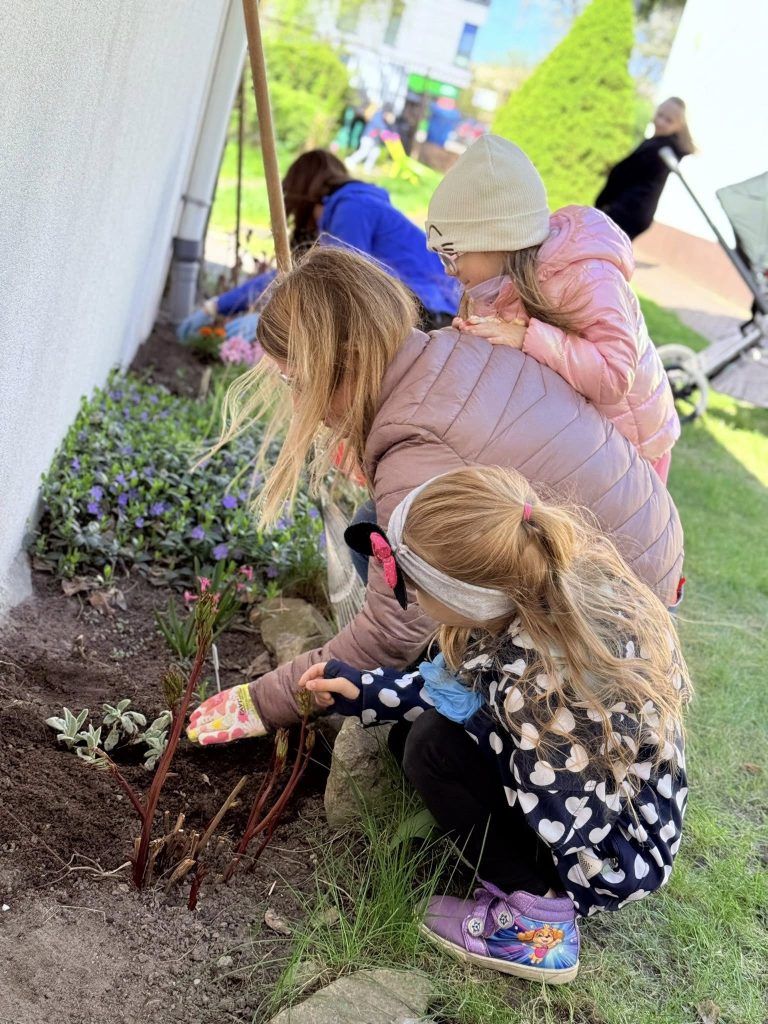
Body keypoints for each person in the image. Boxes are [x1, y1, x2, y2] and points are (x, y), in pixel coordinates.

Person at [186, 245, 685, 741]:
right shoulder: (442, 351)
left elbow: (391, 631)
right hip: (641, 553)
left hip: (615, 613)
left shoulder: (416, 444)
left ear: (347, 361)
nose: (299, 403)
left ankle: (494, 701)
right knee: (372, 527)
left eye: (295, 380)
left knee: (429, 743)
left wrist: (262, 701)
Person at [298, 465, 690, 982]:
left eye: (416, 586)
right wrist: (365, 690)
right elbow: (456, 687)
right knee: (420, 734)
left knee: (431, 747)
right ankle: (507, 866)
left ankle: (540, 921)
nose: (409, 595)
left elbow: (572, 814)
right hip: (587, 794)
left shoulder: (543, 682)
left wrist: (482, 735)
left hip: (603, 847)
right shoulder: (530, 600)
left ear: (465, 596)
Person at [425, 134, 680, 483]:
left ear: (497, 240)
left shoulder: (587, 275)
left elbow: (615, 374)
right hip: (583, 442)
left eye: (451, 254)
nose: (448, 270)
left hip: (635, 450)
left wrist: (527, 337)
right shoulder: (500, 284)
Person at [176, 150, 459, 340]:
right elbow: (292, 274)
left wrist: (273, 321)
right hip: (423, 308)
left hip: (428, 312)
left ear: (301, 194)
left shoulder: (352, 208)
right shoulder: (351, 206)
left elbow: (335, 284)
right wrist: (218, 306)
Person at [595, 97, 695, 241]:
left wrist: (602, 202)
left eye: (668, 120)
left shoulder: (661, 149)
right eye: (660, 115)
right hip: (634, 212)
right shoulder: (659, 145)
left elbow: (624, 175)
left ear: (679, 126)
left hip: (627, 210)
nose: (661, 122)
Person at [345, 104, 394, 173]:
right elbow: (380, 127)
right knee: (364, 151)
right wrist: (386, 133)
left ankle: (367, 168)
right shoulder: (378, 116)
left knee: (375, 152)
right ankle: (350, 161)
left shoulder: (383, 120)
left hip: (375, 140)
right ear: (387, 113)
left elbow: (384, 130)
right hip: (368, 137)